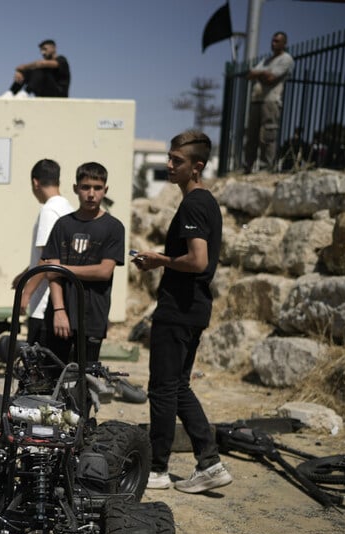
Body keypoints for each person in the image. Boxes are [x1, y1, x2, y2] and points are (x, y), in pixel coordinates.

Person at [134, 130, 232, 494]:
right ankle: (209, 461)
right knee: (177, 386)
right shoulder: (205, 202)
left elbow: (198, 259)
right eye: (169, 158)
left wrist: (160, 259)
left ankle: (158, 469)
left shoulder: (194, 204)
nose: (169, 165)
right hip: (193, 309)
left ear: (197, 167)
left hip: (178, 311)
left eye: (177, 160)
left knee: (161, 389)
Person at [41, 162, 124, 365]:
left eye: (97, 188)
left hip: (93, 315)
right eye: (86, 187)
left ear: (105, 190)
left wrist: (63, 269)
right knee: (52, 377)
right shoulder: (63, 225)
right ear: (75, 188)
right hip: (61, 314)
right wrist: (59, 311)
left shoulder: (114, 227)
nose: (91, 194)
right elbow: (52, 274)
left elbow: (104, 271)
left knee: (85, 379)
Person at [11, 159, 74, 345]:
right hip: (59, 301)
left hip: (43, 304)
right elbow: (49, 252)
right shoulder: (67, 208)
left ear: (35, 183)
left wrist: (26, 293)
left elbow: (47, 259)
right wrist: (25, 273)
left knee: (38, 368)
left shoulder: (49, 210)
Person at [243, 32, 294, 174]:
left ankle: (265, 167)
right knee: (251, 136)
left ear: (284, 43)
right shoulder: (267, 60)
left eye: (277, 41)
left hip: (271, 101)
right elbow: (249, 74)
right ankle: (248, 166)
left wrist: (260, 73)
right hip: (257, 99)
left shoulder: (286, 59)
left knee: (268, 135)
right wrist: (263, 74)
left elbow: (270, 78)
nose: (273, 43)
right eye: (272, 40)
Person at [6, 39, 70, 98]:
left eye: (45, 49)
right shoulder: (42, 64)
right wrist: (20, 71)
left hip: (58, 94)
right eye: (41, 50)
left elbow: (41, 64)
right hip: (44, 92)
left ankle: (25, 93)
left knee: (39, 69)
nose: (43, 53)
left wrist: (23, 68)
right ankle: (10, 93)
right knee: (28, 71)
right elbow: (37, 65)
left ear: (53, 48)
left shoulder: (62, 60)